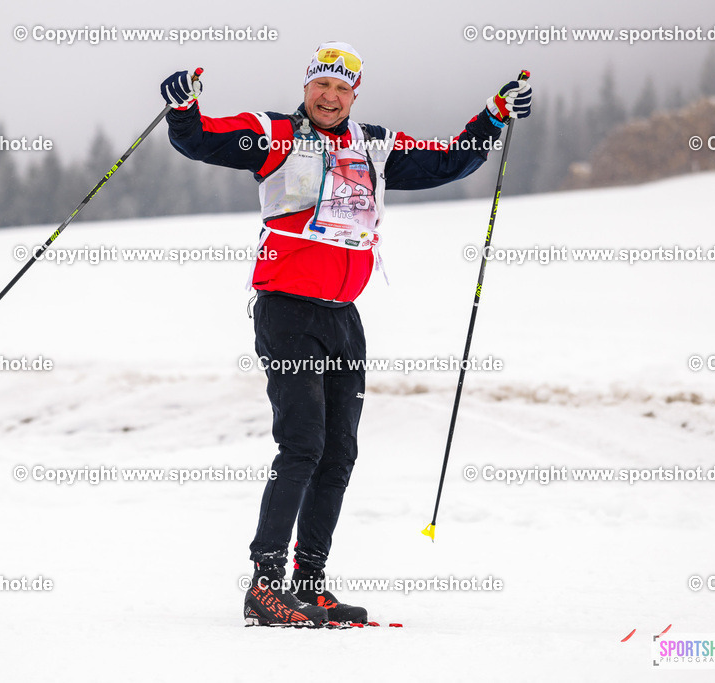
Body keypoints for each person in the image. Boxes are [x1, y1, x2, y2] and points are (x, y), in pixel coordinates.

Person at [160, 42, 531, 627]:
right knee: (302, 444)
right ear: (306, 87)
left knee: (339, 451)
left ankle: (309, 583)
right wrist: (183, 108)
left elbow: (445, 162)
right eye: (320, 86)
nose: (330, 97)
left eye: (341, 88)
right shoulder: (274, 134)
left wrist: (491, 117)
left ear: (355, 93)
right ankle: (265, 584)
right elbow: (202, 139)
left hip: (342, 318)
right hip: (287, 312)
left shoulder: (373, 145)